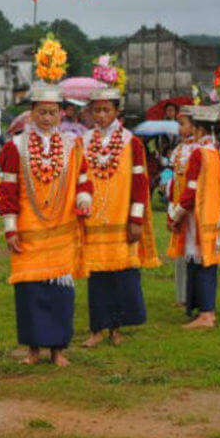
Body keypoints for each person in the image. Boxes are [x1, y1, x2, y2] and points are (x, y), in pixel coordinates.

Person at [0, 36, 92, 367]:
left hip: (62, 228)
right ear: (31, 112)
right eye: (42, 112)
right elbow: (6, 190)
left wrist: (83, 196)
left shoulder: (72, 145)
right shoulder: (15, 147)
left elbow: (84, 179)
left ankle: (58, 350)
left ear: (62, 114)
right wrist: (10, 227)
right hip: (28, 228)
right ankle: (34, 350)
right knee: (30, 292)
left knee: (61, 292)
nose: (48, 118)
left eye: (53, 112)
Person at [79, 76, 158, 349]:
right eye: (96, 110)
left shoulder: (130, 142)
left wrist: (135, 219)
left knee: (121, 276)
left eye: (106, 110)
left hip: (121, 219)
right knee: (97, 277)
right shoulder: (84, 141)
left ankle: (116, 329)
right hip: (92, 221)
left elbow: (140, 182)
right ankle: (97, 329)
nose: (101, 115)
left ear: (117, 112)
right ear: (89, 112)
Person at [170, 101, 220, 328]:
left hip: (198, 215)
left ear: (198, 129)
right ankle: (199, 308)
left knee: (201, 260)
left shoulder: (200, 153)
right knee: (205, 260)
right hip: (215, 215)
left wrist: (175, 214)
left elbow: (191, 190)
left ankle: (206, 313)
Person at [165, 105, 199, 307]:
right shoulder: (179, 149)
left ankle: (191, 295)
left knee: (191, 250)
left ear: (194, 127)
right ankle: (181, 296)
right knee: (179, 253)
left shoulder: (198, 150)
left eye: (182, 124)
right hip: (178, 204)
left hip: (191, 205)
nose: (179, 127)